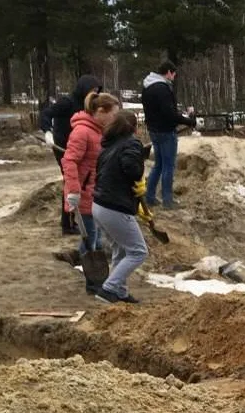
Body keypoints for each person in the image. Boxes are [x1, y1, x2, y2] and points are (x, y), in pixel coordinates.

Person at [63, 92, 121, 293]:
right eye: (113, 114)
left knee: (94, 237)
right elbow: (69, 161)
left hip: (96, 192)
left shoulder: (98, 131)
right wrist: (73, 190)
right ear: (100, 111)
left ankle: (90, 276)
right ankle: (92, 281)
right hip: (83, 193)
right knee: (92, 238)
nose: (115, 118)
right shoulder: (82, 132)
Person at [92, 110, 148, 304]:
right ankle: (108, 288)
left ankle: (121, 293)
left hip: (100, 205)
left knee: (121, 250)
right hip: (114, 206)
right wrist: (140, 176)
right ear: (134, 127)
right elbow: (132, 170)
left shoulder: (108, 146)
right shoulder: (131, 143)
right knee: (139, 251)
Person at [40, 75, 102, 235]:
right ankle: (67, 224)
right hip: (63, 146)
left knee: (81, 182)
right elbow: (46, 114)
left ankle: (75, 220)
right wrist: (48, 131)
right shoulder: (66, 102)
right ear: (83, 88)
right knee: (71, 181)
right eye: (92, 90)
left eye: (96, 91)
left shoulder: (88, 104)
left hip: (81, 147)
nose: (94, 93)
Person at [141, 60, 195, 209]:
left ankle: (150, 196)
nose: (174, 77)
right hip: (166, 131)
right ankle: (168, 200)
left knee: (158, 164)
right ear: (169, 72)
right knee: (168, 166)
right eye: (174, 74)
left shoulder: (147, 86)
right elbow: (169, 113)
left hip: (153, 130)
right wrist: (188, 120)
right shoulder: (163, 89)